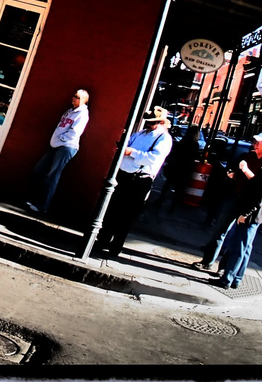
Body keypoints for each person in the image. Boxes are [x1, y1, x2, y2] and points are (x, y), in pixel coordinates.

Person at [94, 105, 173, 259]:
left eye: (153, 122)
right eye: (149, 122)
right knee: (112, 209)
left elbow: (153, 158)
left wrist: (132, 152)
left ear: (161, 123)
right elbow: (126, 144)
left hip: (139, 179)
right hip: (124, 175)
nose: (149, 125)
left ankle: (116, 246)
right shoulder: (140, 134)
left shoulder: (163, 138)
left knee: (126, 215)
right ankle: (103, 239)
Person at [198, 130, 262, 269]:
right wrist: (233, 174)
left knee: (236, 238)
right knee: (220, 230)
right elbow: (233, 168)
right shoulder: (247, 156)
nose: (255, 145)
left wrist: (245, 170)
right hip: (235, 196)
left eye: (259, 142)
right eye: (255, 141)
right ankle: (207, 262)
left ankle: (223, 269)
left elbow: (259, 185)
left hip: (248, 203)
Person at [213, 136, 262, 289]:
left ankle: (227, 279)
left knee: (239, 247)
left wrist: (246, 214)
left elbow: (260, 196)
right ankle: (236, 278)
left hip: (252, 215)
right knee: (244, 247)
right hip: (254, 214)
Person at [25, 90, 89, 214]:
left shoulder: (82, 114)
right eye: (74, 95)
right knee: (39, 170)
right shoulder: (69, 111)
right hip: (55, 145)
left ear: (83, 100)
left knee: (52, 175)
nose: (73, 98)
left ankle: (42, 206)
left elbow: (75, 132)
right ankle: (32, 199)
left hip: (66, 147)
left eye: (77, 97)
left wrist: (61, 139)